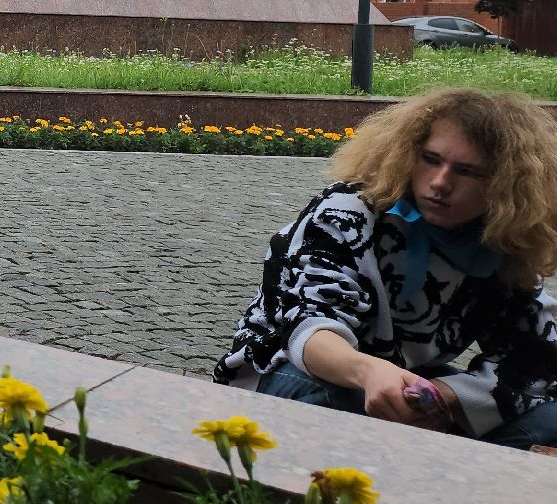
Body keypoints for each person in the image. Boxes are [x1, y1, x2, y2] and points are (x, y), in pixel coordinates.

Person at [215, 87, 557, 450]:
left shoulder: (500, 244)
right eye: (431, 159)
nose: (440, 183)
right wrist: (371, 372)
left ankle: (428, 458)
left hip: (407, 383)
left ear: (504, 184)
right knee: (330, 402)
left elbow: (537, 355)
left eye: (468, 172)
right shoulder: (348, 212)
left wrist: (443, 395)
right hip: (292, 368)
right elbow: (310, 329)